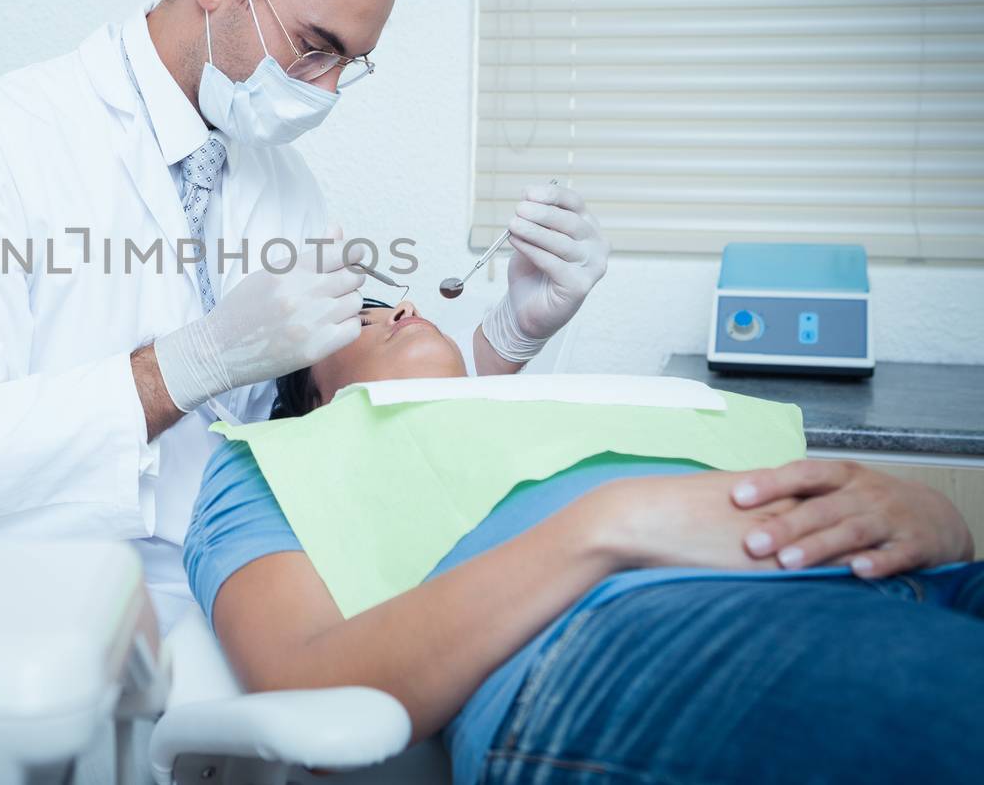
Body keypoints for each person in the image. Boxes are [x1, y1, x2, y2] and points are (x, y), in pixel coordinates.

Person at [0, 0, 610, 627]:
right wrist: (181, 368)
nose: (326, 88)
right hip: (38, 625)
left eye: (350, 62)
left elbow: (365, 422)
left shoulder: (281, 180)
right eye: (315, 47)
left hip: (241, 599)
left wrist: (506, 335)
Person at [186, 300, 983, 784]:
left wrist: (939, 522)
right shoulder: (276, 462)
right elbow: (304, 691)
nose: (399, 308)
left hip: (897, 579)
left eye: (395, 300)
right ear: (312, 397)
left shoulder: (610, 401)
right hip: (636, 639)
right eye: (356, 318)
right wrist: (613, 524)